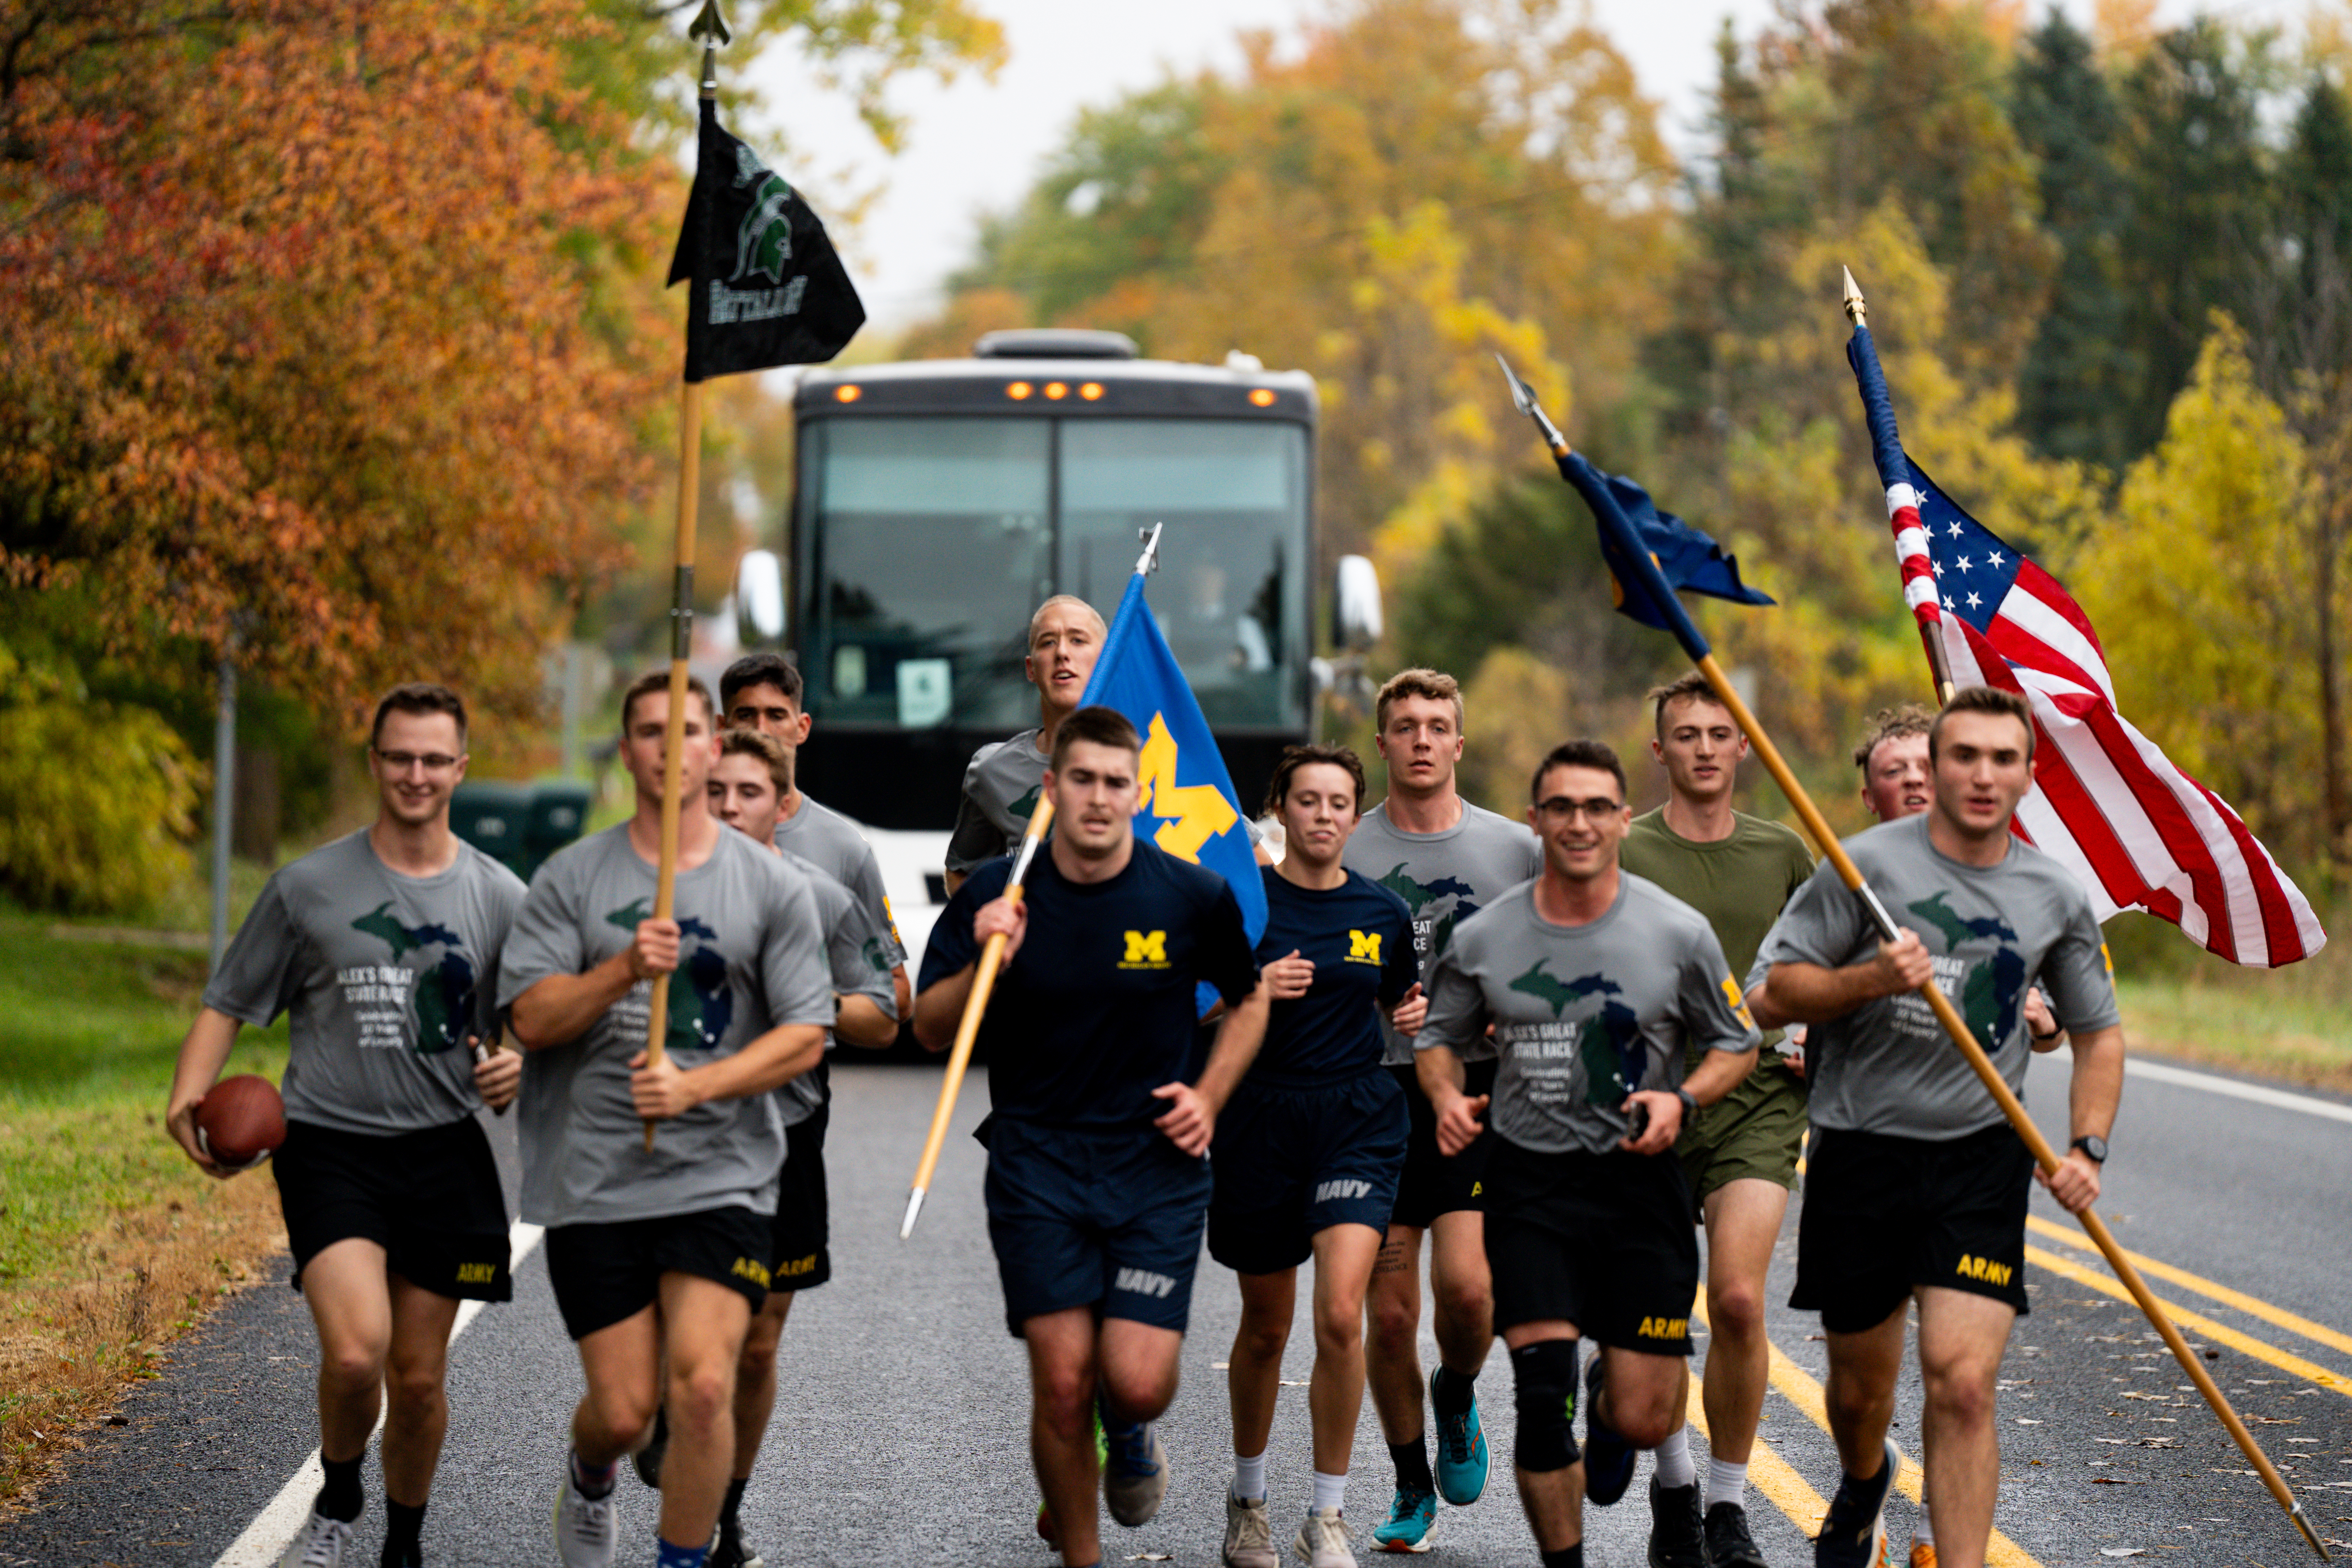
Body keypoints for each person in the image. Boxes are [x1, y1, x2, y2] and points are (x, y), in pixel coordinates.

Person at [1754, 687, 2124, 1568]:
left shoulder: (2051, 894)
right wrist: (1869, 981)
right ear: (1937, 766)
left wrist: (2086, 1147)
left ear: (2029, 775)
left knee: (1962, 1386)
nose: (1982, 774)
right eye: (1964, 756)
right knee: (1856, 1390)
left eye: (2003, 758)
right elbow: (1773, 993)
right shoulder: (1862, 870)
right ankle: (1862, 1474)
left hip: (1979, 1158)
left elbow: (2097, 1033)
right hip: (1860, 1150)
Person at [166, 683, 526, 1568]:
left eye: (434, 759)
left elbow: (533, 1022)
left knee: (418, 1375)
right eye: (399, 756)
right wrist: (188, 1097)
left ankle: (401, 1544)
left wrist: (517, 1062)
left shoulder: (497, 894)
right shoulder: (308, 888)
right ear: (374, 762)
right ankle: (337, 1485)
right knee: (358, 1353)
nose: (416, 773)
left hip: (444, 1148)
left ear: (461, 769)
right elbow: (227, 1003)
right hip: (330, 1147)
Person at [914, 705, 1270, 1568]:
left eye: (1117, 782)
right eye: (1083, 780)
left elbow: (1249, 996)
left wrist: (1210, 1097)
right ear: (1051, 788)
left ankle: (1135, 1426)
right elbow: (928, 1028)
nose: (1100, 798)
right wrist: (980, 963)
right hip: (1037, 1161)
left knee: (1135, 1379)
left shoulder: (1190, 893)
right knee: (1064, 1384)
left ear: (1139, 792)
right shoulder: (999, 894)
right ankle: (1083, 1559)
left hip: (1156, 1164)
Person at [501, 671, 834, 1568]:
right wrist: (620, 972)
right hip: (596, 1177)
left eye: (686, 731)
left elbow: (808, 1034)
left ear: (711, 745)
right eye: (649, 731)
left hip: (722, 1172)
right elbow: (529, 1019)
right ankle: (591, 1469)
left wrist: (700, 1087)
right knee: (621, 1411)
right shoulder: (574, 878)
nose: (669, 748)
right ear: (628, 751)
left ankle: (680, 1560)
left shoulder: (770, 887)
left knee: (701, 1388)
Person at [1414, 739, 1762, 1568]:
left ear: (1619, 820)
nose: (1578, 822)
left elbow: (1736, 1042)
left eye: (1596, 807)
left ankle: (1610, 1404)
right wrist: (1443, 1096)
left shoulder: (1677, 931)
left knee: (1646, 1416)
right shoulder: (1487, 936)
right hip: (1529, 1183)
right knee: (1539, 1402)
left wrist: (1683, 1098)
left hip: (1639, 1183)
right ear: (1536, 821)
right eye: (1561, 808)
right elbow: (1438, 1035)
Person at [680, 726, 898, 1568]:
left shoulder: (823, 896)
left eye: (749, 796)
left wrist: (806, 1002)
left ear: (781, 807)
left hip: (787, 1127)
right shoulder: (661, 888)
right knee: (694, 1339)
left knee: (760, 1339)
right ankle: (669, 1416)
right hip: (685, 1128)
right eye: (715, 795)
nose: (731, 810)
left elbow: (884, 1014)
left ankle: (724, 1512)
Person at [1337, 667, 1542, 1552]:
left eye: (1436, 725)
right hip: (1369, 1095)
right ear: (1380, 743)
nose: (1420, 739)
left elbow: (1560, 955)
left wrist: (1504, 1009)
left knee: (1467, 1292)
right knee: (1385, 1314)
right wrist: (1370, 1005)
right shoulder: (1340, 848)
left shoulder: (1514, 851)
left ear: (1458, 743)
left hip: (1474, 1087)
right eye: (1404, 726)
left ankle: (1455, 1393)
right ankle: (1411, 1480)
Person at [1615, 673, 1815, 1568]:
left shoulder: (1782, 853)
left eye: (1718, 734)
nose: (1702, 748)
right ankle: (1673, 1485)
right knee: (1656, 1310)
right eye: (1684, 735)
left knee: (1735, 1298)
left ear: (1745, 748)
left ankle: (1728, 1507)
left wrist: (1813, 1028)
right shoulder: (1624, 848)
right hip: (1647, 1095)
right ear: (1659, 751)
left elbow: (1820, 963)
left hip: (1758, 1096)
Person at [1213, 745, 1420, 1568]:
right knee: (1266, 1329)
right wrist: (1257, 986)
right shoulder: (1243, 908)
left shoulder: (1381, 913)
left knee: (1340, 1313)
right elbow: (1199, 1006)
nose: (1325, 815)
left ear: (1355, 814)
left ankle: (1326, 1515)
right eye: (1309, 801)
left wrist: (1414, 1019)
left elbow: (1403, 1001)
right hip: (1260, 1118)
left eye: (1340, 802)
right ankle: (1248, 1501)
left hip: (1355, 1118)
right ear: (1282, 811)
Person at [718, 652, 909, 1022]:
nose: (761, 729)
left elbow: (895, 997)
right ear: (721, 727)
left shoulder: (844, 847)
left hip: (799, 1071)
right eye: (746, 716)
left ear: (802, 727)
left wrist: (812, 998)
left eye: (776, 715)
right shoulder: (688, 836)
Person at [942, 595, 1106, 898]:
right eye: (1047, 643)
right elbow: (961, 873)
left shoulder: (1148, 764)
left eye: (1078, 640)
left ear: (1106, 661)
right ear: (1031, 670)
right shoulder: (992, 771)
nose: (1062, 653)